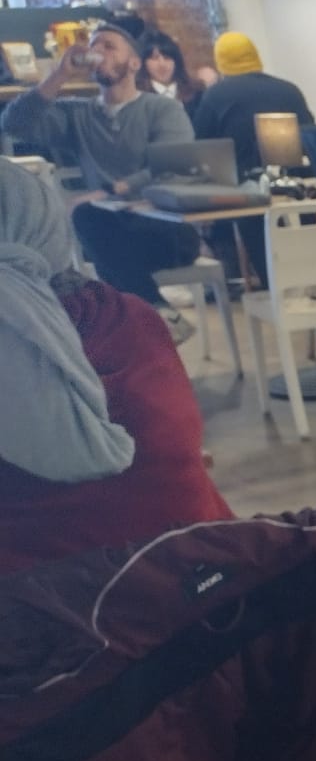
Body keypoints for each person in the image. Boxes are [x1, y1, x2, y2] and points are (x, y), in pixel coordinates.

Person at [0, 156, 229, 575]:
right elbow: (174, 447)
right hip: (199, 574)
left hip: (42, 602)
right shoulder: (128, 318)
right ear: (48, 227)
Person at [1, 21, 201, 341]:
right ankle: (157, 315)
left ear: (134, 63)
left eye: (109, 46)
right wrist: (59, 75)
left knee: (94, 225)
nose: (98, 51)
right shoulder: (77, 114)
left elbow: (173, 165)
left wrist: (113, 190)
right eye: (94, 45)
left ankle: (141, 322)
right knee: (89, 218)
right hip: (111, 228)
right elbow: (13, 124)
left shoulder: (162, 109)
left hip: (165, 226)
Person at [191, 31, 314, 179]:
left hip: (242, 183)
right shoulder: (290, 89)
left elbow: (201, 146)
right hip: (295, 179)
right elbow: (311, 137)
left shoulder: (215, 95)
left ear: (220, 62)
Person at [139, 29, 203, 109]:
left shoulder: (197, 92)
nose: (162, 64)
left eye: (167, 58)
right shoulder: (138, 99)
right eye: (154, 58)